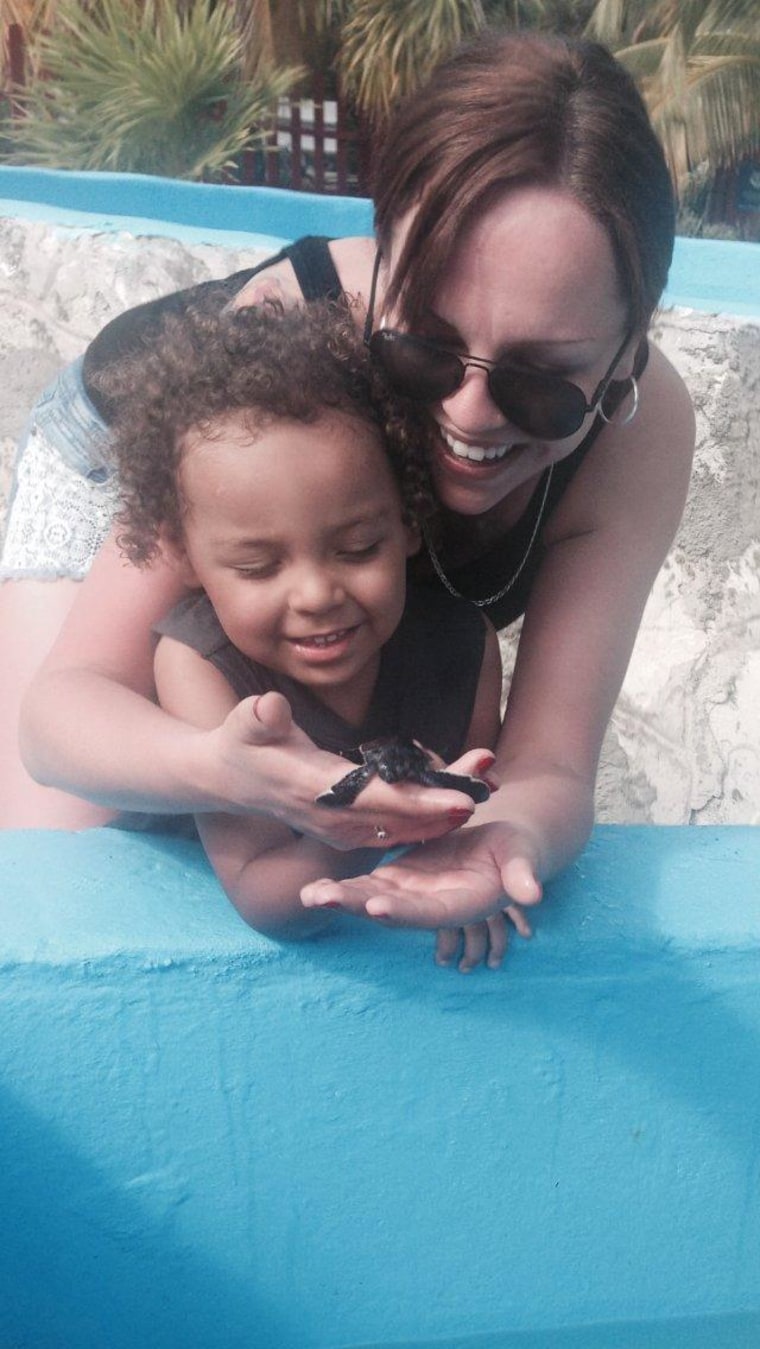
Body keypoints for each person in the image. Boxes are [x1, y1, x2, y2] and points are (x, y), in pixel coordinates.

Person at [3, 32, 694, 954]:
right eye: (426, 348)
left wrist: (500, 837)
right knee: (65, 861)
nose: (470, 413)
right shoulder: (284, 355)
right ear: (385, 273)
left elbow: (551, 761)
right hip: (127, 447)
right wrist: (213, 769)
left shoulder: (638, 434)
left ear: (624, 354)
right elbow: (61, 721)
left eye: (541, 379)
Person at [95, 295, 503, 962]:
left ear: (406, 518)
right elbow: (263, 892)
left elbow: (475, 814)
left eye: (356, 549)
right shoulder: (198, 664)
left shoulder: (463, 646)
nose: (316, 594)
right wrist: (384, 817)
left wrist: (471, 871)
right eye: (259, 566)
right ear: (186, 556)